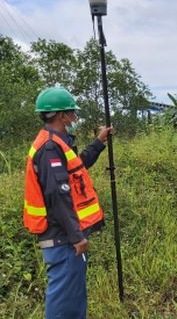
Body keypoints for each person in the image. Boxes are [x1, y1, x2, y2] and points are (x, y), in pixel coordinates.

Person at [23, 87, 111, 318]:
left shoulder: (56, 142)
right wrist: (76, 236)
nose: (75, 117)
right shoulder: (50, 146)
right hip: (62, 236)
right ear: (61, 115)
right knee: (64, 300)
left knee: (72, 296)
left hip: (64, 234)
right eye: (72, 112)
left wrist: (99, 142)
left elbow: (77, 167)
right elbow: (57, 196)